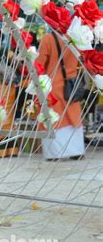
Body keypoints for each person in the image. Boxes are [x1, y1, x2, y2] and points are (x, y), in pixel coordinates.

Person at [37, 30, 85, 160]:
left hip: (52, 86)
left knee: (53, 118)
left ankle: (55, 153)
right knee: (73, 116)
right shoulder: (75, 38)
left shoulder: (48, 39)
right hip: (72, 85)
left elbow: (39, 63)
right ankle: (76, 151)